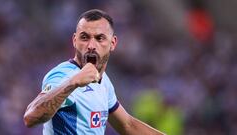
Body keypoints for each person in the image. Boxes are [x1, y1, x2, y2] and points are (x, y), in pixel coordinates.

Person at [23, 9, 165, 135]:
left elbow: (127, 125)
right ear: (74, 40)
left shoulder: (104, 81)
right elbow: (30, 118)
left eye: (99, 38)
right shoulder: (63, 75)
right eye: (84, 37)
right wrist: (73, 83)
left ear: (113, 43)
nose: (91, 45)